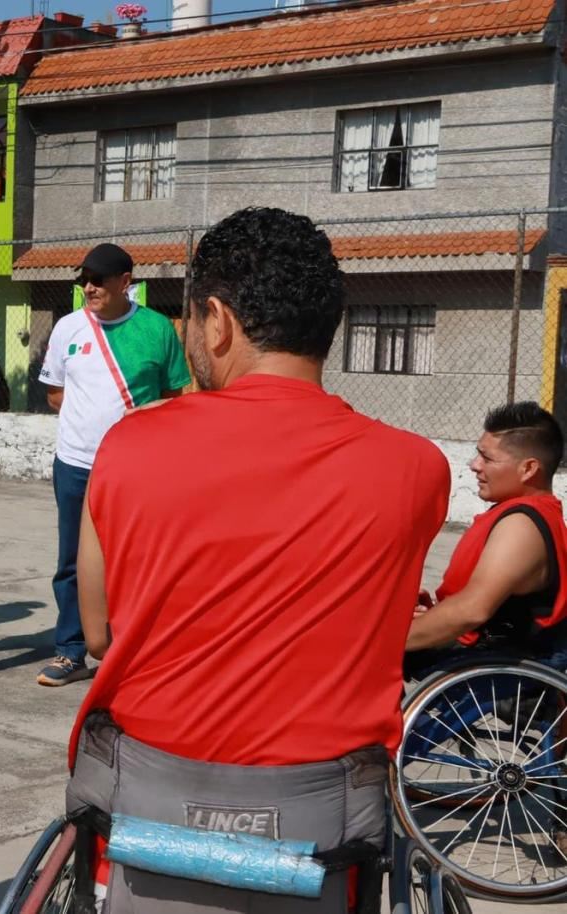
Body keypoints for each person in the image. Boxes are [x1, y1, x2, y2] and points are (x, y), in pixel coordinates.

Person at [66, 207, 451, 913]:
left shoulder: (129, 448)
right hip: (325, 832)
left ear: (217, 321)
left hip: (150, 814)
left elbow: (98, 635)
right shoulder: (417, 469)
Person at [36, 243, 189, 687]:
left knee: (136, 561)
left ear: (126, 282)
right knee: (71, 560)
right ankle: (70, 651)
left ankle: (132, 650)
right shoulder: (68, 328)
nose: (90, 287)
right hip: (75, 464)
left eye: (99, 279)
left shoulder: (157, 329)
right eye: (85, 279)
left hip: (136, 470)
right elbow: (54, 394)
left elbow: (175, 398)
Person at [406, 402, 567, 671]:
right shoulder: (524, 515)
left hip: (486, 661)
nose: (474, 465)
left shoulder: (521, 527)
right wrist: (434, 612)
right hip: (479, 646)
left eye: (487, 458)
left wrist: (394, 639)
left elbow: (472, 610)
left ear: (528, 469)